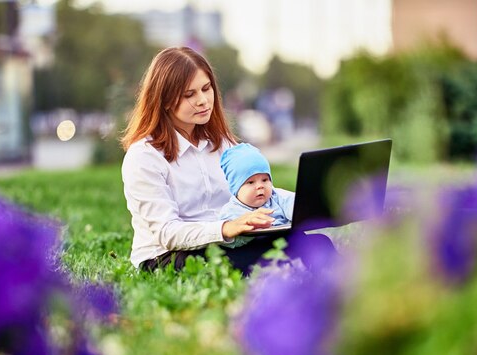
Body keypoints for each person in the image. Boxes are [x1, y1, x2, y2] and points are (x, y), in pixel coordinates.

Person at [121, 46, 337, 274]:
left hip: (230, 242)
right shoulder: (144, 156)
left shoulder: (224, 145)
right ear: (164, 100)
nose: (203, 100)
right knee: (250, 260)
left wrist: (306, 208)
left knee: (316, 243)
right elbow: (168, 233)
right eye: (189, 94)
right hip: (166, 256)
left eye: (206, 89)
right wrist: (227, 228)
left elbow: (256, 192)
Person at [218, 143, 294, 247]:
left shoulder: (277, 196)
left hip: (284, 239)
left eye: (265, 180)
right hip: (254, 247)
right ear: (235, 188)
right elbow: (229, 241)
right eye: (250, 182)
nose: (260, 186)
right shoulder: (230, 212)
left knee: (318, 239)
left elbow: (295, 204)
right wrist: (247, 230)